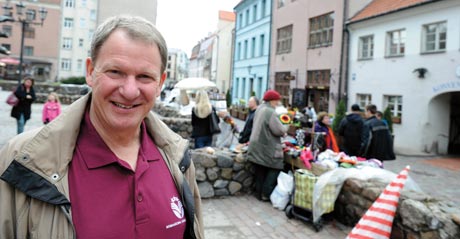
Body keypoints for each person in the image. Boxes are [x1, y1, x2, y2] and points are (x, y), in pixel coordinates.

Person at [0, 16, 203, 238]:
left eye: (144, 76)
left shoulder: (177, 157)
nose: (129, 91)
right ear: (90, 71)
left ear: (160, 83)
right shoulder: (22, 160)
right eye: (115, 72)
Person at [247, 90, 287, 201]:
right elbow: (278, 130)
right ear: (272, 100)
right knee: (276, 167)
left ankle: (258, 193)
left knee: (260, 170)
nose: (278, 103)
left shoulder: (259, 108)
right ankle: (265, 194)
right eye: (277, 100)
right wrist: (285, 127)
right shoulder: (270, 112)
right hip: (266, 146)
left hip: (256, 145)